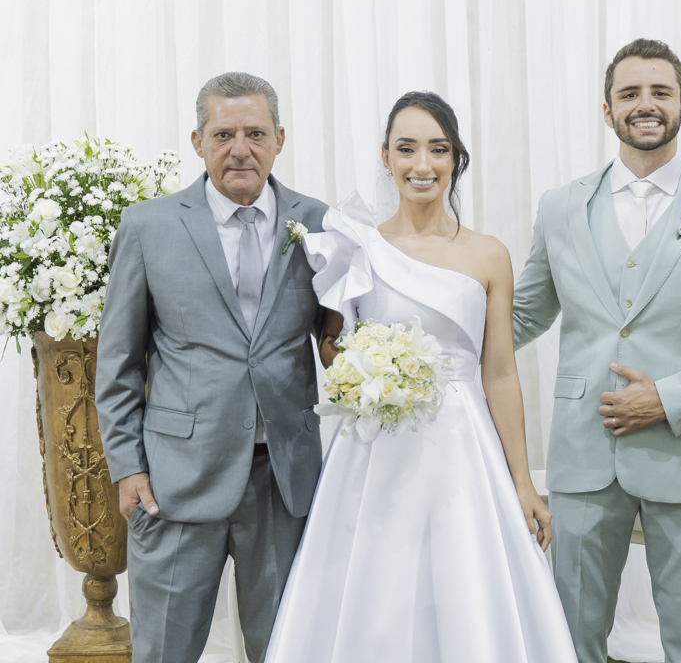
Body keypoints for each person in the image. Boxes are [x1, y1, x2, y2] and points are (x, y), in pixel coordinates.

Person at [264, 91, 577, 662]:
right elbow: (333, 347)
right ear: (386, 157)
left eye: (438, 149)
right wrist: (360, 371)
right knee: (375, 584)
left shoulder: (488, 255)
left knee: (465, 582)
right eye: (406, 149)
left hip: (464, 447)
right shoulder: (354, 244)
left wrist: (523, 483)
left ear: (456, 158)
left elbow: (500, 374)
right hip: (375, 447)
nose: (422, 165)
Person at [512, 38, 681, 663]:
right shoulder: (559, 208)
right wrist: (430, 329)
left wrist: (665, 399)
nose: (646, 105)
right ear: (606, 111)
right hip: (582, 452)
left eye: (660, 92)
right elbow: (525, 314)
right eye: (629, 93)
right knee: (570, 639)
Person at [96, 72, 330, 663]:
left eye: (255, 133)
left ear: (280, 138)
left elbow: (338, 339)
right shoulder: (148, 226)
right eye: (223, 134)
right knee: (163, 650)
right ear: (198, 142)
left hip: (284, 479)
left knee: (284, 650)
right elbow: (118, 360)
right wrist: (128, 467)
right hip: (175, 480)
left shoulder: (320, 223)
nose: (240, 149)